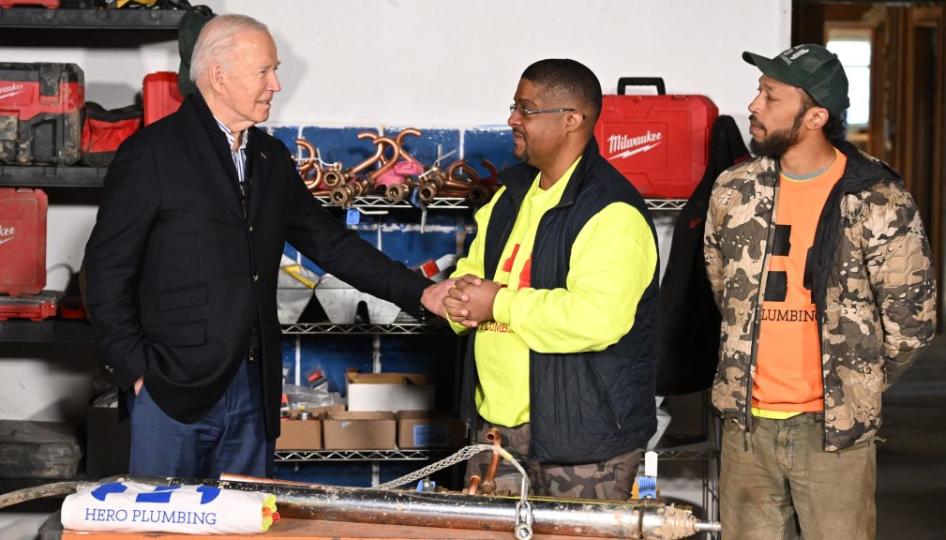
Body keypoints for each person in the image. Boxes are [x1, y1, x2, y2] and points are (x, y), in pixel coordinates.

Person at [83, 14, 450, 479]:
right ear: (218, 75)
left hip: (253, 394)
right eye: (264, 71)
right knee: (161, 528)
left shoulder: (269, 158)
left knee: (245, 523)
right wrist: (137, 372)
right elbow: (105, 271)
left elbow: (331, 243)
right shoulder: (152, 154)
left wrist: (419, 291)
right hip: (171, 391)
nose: (276, 84)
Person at [704, 44, 937, 539]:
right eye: (758, 92)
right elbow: (724, 289)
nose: (753, 105)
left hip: (833, 434)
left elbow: (911, 323)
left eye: (770, 96)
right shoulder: (734, 190)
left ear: (815, 116)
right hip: (746, 427)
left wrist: (854, 381)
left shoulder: (877, 198)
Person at [444, 59, 659, 500]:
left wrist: (497, 303)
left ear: (571, 120)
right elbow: (473, 268)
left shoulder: (611, 211)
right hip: (496, 434)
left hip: (584, 444)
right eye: (514, 107)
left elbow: (596, 318)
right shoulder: (511, 193)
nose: (512, 119)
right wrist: (458, 301)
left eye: (526, 109)